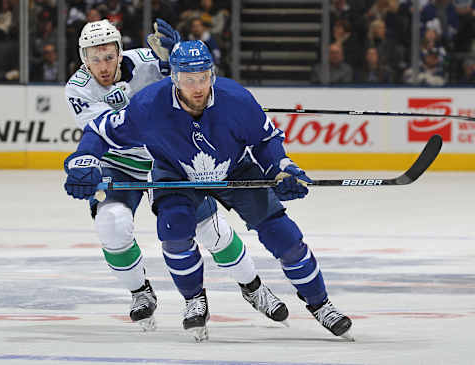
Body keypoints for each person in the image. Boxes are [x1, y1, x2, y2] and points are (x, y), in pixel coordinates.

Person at [63, 40, 353, 342]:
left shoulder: (236, 98)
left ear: (212, 74)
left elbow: (266, 142)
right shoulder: (149, 104)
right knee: (174, 232)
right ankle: (193, 300)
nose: (198, 86)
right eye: (189, 79)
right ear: (173, 77)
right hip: (175, 173)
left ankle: (321, 305)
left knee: (285, 237)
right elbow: (99, 131)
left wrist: (282, 168)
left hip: (234, 169)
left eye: (203, 77)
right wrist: (84, 161)